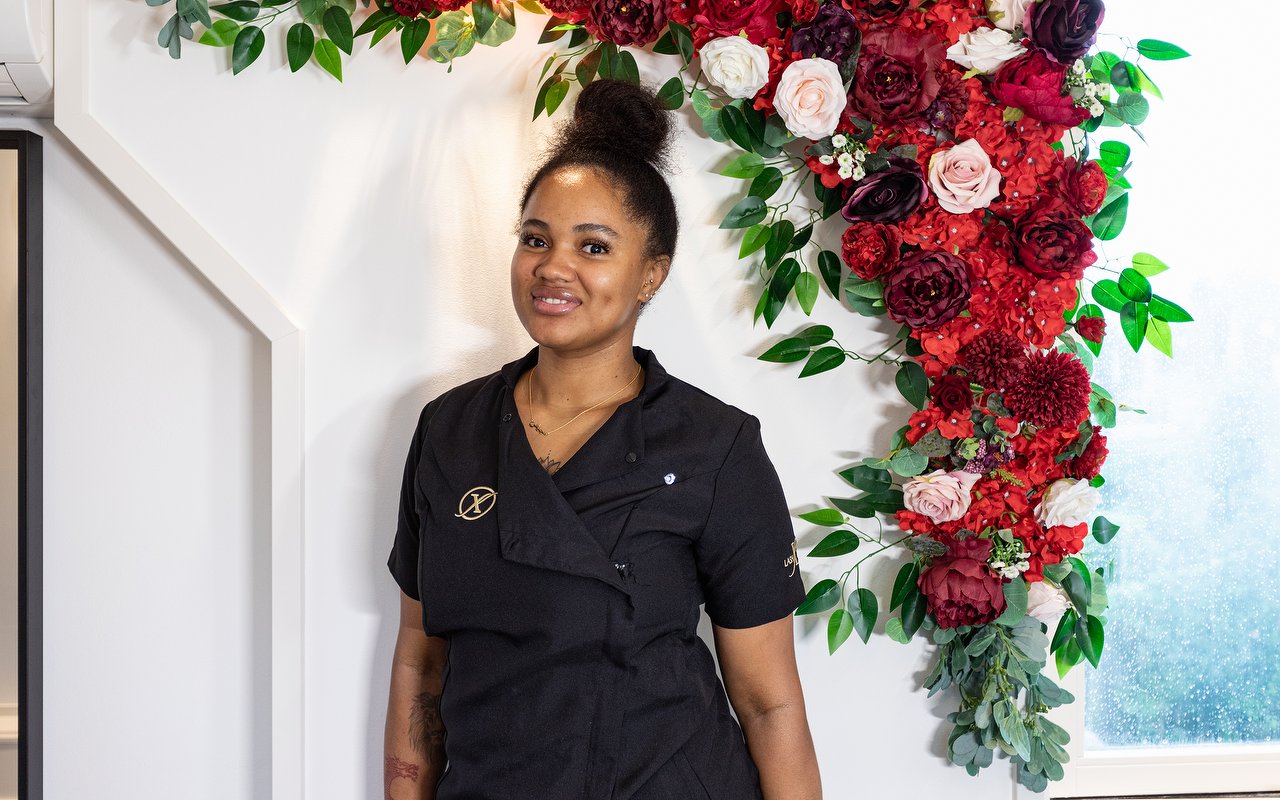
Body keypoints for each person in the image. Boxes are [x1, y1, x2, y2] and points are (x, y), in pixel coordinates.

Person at [383, 78, 822, 800]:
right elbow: (419, 662)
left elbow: (770, 704)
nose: (553, 267)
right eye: (536, 239)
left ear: (651, 274)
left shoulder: (715, 447)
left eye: (593, 246)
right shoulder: (449, 429)